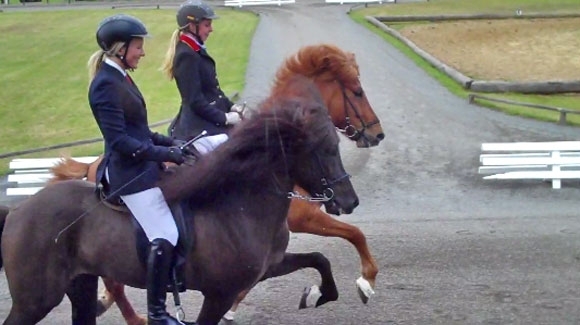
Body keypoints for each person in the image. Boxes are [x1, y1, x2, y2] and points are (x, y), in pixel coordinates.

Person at [87, 14, 193, 325]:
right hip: (127, 174)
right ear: (119, 48)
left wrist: (175, 143)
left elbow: (140, 130)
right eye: (137, 47)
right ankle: (158, 315)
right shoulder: (105, 85)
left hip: (140, 163)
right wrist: (165, 152)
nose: (142, 53)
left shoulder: (121, 76)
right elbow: (121, 141)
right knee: (165, 232)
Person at [161, 0, 244, 155]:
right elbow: (194, 100)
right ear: (192, 26)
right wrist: (224, 118)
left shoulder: (196, 50)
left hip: (210, 117)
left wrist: (231, 106)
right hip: (198, 126)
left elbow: (213, 90)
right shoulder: (186, 55)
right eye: (207, 25)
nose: (211, 29)